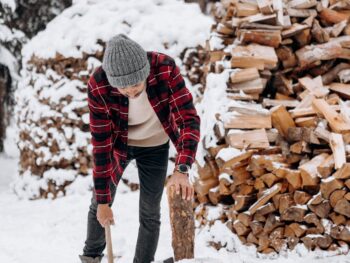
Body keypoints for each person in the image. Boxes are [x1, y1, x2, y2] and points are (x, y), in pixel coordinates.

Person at [79, 34, 201, 263]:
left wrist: (182, 169)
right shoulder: (98, 85)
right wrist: (104, 203)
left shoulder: (165, 69)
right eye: (123, 88)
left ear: (145, 72)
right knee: (99, 201)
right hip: (118, 145)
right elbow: (101, 144)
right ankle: (91, 258)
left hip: (154, 143)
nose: (131, 92)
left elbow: (188, 119)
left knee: (149, 211)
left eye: (136, 84)